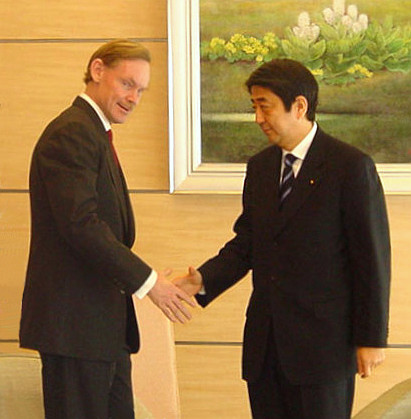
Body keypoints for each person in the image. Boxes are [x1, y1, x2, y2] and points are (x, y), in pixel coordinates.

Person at [174, 58, 391, 418]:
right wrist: (202, 279)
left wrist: (370, 339)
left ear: (299, 106)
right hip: (266, 347)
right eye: (254, 106)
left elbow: (371, 260)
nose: (258, 117)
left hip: (323, 351)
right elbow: (247, 244)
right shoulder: (259, 168)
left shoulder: (349, 167)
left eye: (265, 106)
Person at [19, 39, 194, 419]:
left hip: (101, 332)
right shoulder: (72, 132)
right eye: (127, 84)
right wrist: (149, 283)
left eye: (141, 90)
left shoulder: (92, 133)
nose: (134, 98)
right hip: (77, 329)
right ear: (98, 71)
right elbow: (82, 226)